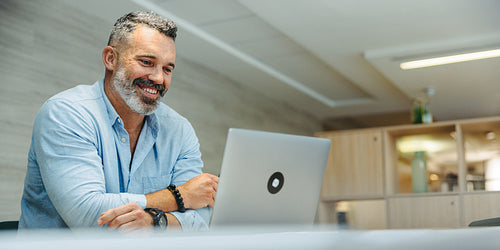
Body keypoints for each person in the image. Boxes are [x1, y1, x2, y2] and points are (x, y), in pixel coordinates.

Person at [19, 11, 219, 232]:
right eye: (146, 62)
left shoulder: (180, 131)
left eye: (167, 69)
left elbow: (200, 221)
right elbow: (88, 215)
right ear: (110, 58)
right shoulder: (66, 113)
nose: (159, 78)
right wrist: (178, 197)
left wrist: (154, 222)